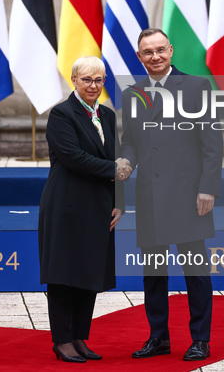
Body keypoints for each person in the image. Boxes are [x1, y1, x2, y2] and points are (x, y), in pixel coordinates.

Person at [119, 28, 223, 361]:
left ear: (171, 50)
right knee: (153, 273)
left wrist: (208, 188)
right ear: (139, 57)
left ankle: (201, 339)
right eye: (147, 52)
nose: (155, 56)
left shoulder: (196, 87)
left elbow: (212, 144)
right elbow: (130, 141)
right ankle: (158, 338)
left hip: (189, 195)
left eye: (160, 50)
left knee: (195, 270)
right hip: (150, 195)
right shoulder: (131, 94)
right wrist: (125, 161)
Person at [38, 56, 126, 363]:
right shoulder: (61, 114)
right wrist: (114, 168)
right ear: (74, 80)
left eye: (99, 80)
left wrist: (119, 202)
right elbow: (73, 157)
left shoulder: (109, 116)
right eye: (86, 80)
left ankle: (79, 337)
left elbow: (116, 157)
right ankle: (62, 341)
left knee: (89, 273)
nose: (93, 86)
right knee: (64, 274)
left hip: (99, 205)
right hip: (67, 205)